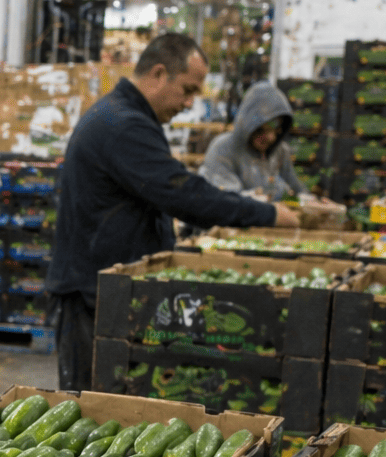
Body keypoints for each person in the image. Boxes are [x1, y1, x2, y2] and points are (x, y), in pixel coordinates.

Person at [47, 32, 299, 391]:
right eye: (188, 90)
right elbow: (182, 194)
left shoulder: (128, 116)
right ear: (159, 73)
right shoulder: (123, 124)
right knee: (92, 408)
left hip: (108, 289)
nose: (189, 104)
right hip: (93, 296)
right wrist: (265, 214)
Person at [200, 80, 304, 200]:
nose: (271, 137)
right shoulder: (224, 148)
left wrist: (309, 201)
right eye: (261, 130)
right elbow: (226, 199)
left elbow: (297, 190)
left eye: (276, 130)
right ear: (248, 124)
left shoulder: (279, 151)